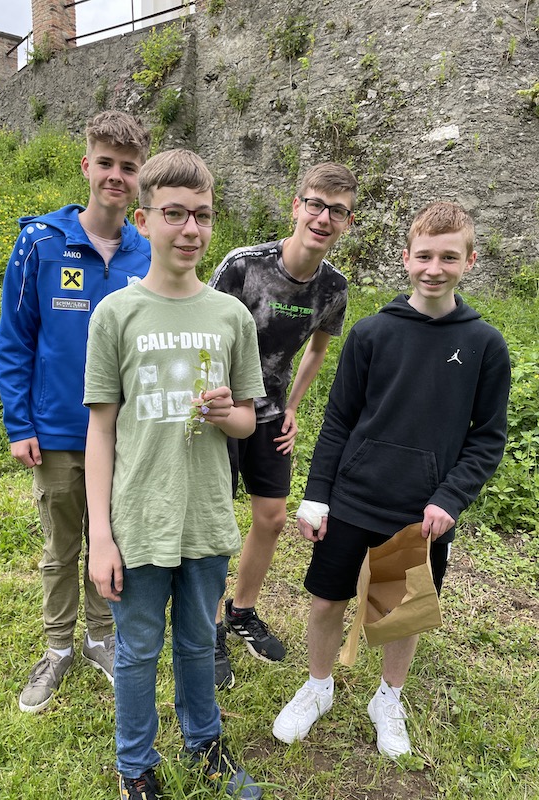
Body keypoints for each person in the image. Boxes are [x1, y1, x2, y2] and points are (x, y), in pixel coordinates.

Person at [272, 201, 511, 758]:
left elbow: (487, 437)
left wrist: (450, 497)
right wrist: (317, 495)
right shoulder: (371, 333)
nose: (434, 268)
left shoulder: (485, 345)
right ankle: (318, 685)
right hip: (352, 498)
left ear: (470, 261)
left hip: (421, 511)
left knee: (403, 612)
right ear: (406, 258)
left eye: (448, 257)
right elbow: (338, 422)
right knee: (327, 600)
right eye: (424, 256)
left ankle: (388, 697)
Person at [83, 148, 265, 800]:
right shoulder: (116, 313)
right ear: (144, 219)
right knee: (137, 650)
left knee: (195, 641)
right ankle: (134, 764)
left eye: (203, 216)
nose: (191, 229)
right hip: (138, 516)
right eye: (175, 214)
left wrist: (226, 414)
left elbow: (248, 421)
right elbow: (101, 430)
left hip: (205, 513)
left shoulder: (230, 316)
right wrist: (100, 536)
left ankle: (204, 744)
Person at [0, 110, 151, 713]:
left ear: (140, 178)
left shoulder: (148, 252)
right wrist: (19, 423)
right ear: (86, 165)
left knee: (112, 544)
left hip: (126, 435)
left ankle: (99, 637)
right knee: (61, 548)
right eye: (106, 163)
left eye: (128, 167)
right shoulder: (40, 243)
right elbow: (16, 339)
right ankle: (58, 646)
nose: (116, 176)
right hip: (59, 430)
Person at [208, 163, 357, 688]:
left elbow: (317, 349)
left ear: (347, 222)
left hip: (271, 415)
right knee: (213, 524)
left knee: (271, 519)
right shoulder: (243, 266)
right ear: (296, 206)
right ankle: (205, 628)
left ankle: (240, 612)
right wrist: (213, 402)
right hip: (222, 412)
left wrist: (291, 406)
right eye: (315, 204)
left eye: (337, 211)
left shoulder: (334, 287)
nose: (323, 217)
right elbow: (203, 329)